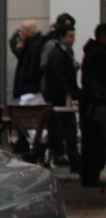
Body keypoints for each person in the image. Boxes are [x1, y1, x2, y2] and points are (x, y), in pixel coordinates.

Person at [42, 22, 80, 170]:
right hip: (60, 98)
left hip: (63, 96)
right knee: (67, 129)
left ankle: (69, 156)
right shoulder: (58, 54)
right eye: (70, 36)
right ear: (62, 37)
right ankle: (73, 157)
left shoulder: (65, 53)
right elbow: (59, 78)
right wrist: (69, 93)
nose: (73, 39)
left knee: (65, 129)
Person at [80, 22, 106, 187]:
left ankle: (90, 175)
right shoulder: (99, 54)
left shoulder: (92, 52)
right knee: (96, 142)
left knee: (92, 142)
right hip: (96, 106)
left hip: (91, 105)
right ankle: (91, 176)